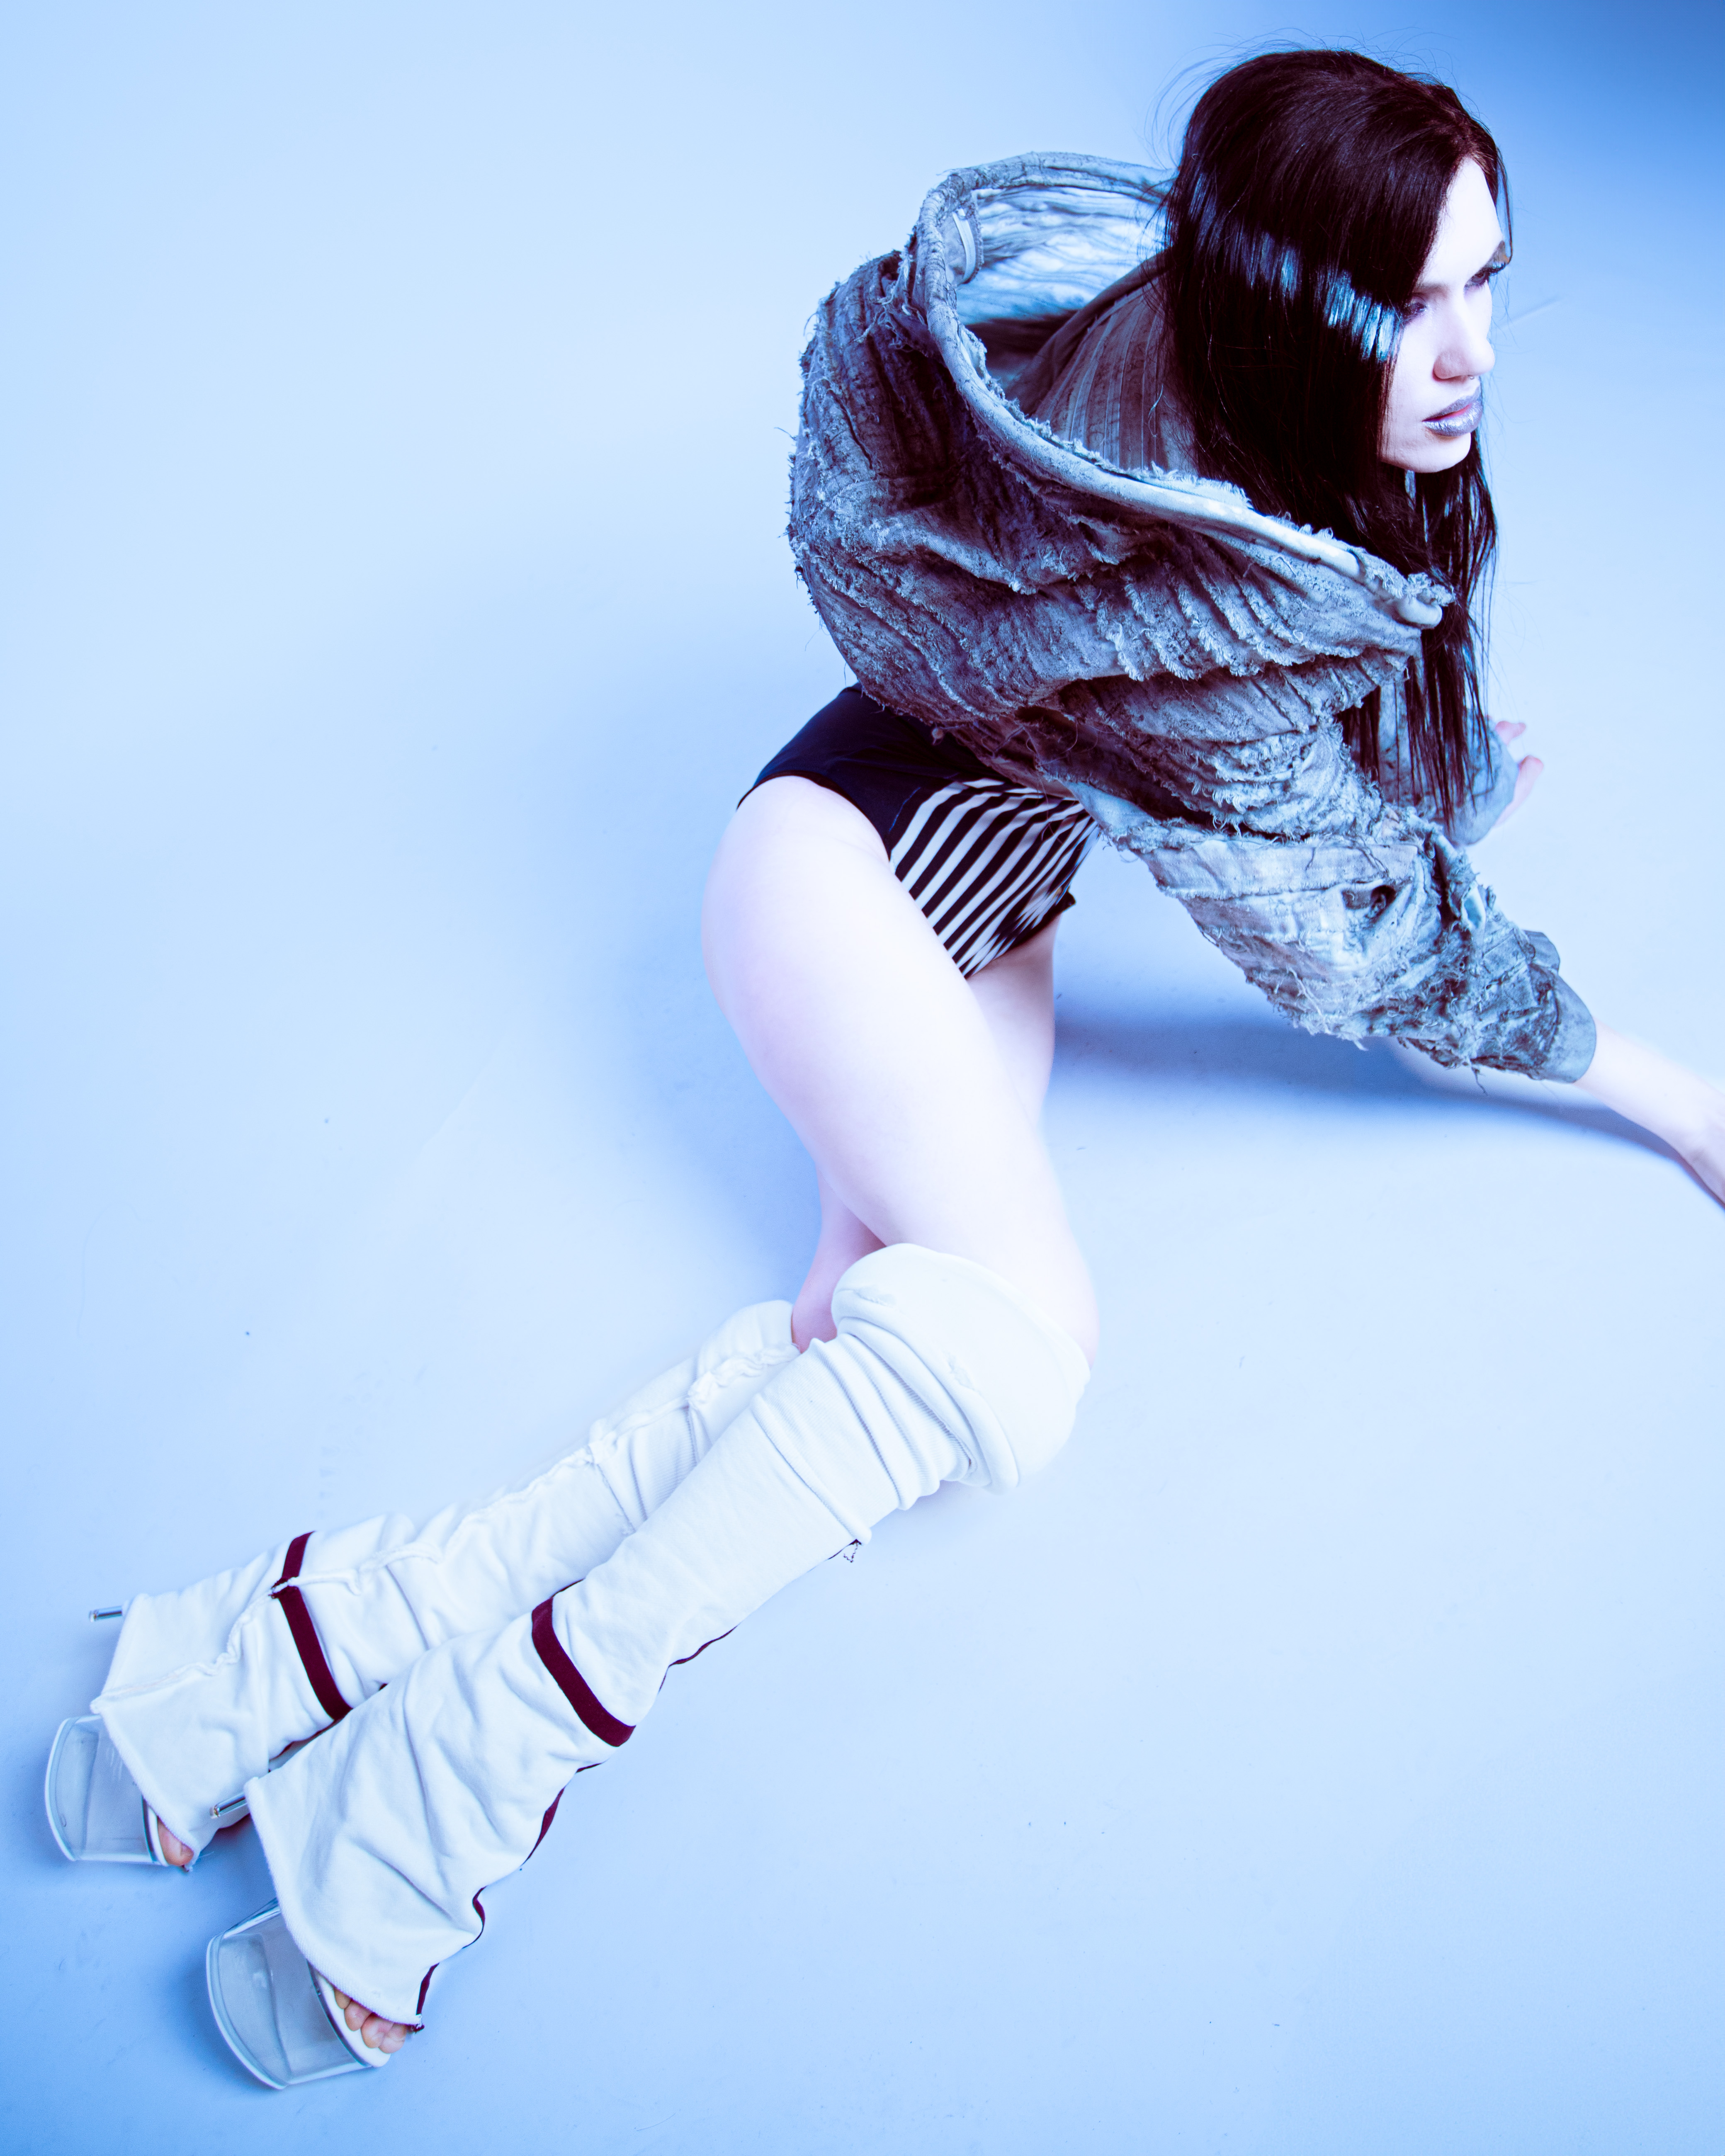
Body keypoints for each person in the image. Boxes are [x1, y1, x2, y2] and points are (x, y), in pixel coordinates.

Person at [46, 48, 1724, 2081]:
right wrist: (1658, 1090)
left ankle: (253, 1670)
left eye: (1485, 284)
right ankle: (450, 1786)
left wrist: (1447, 785)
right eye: (1406, 302)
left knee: (847, 1351)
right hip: (834, 873)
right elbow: (1349, 935)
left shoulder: (1228, 396)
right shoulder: (1201, 541)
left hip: (972, 912)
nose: (1468, 356)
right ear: (1283, 301)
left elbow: (1325, 750)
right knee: (1025, 1355)